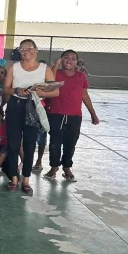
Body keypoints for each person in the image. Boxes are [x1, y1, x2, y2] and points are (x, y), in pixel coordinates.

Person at [3, 39, 59, 196]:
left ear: (36, 50)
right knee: (13, 145)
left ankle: (26, 179)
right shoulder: (13, 68)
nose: (26, 52)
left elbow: (56, 91)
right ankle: (14, 178)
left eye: (29, 49)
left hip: (33, 107)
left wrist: (41, 93)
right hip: (15, 106)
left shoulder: (45, 69)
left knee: (29, 145)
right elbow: (6, 89)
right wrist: (16, 91)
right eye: (22, 49)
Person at [44, 50, 99, 182]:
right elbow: (48, 82)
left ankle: (67, 167)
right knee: (55, 142)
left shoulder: (81, 76)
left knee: (71, 142)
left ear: (77, 62)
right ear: (61, 60)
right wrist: (56, 64)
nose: (69, 60)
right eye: (66, 58)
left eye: (73, 58)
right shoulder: (56, 72)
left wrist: (93, 113)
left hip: (74, 115)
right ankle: (54, 167)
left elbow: (84, 95)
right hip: (56, 113)